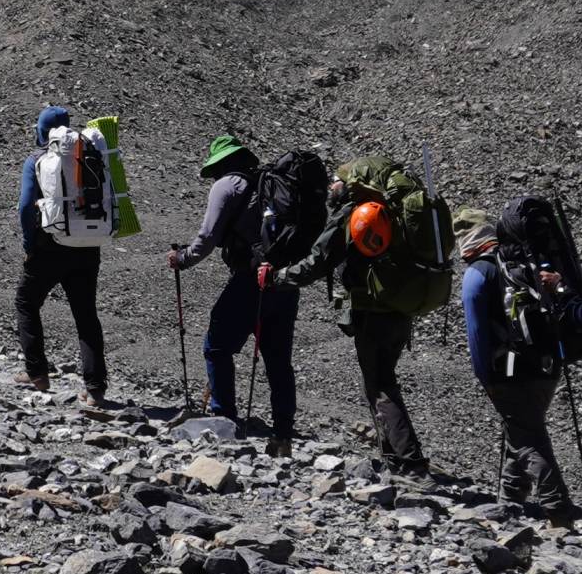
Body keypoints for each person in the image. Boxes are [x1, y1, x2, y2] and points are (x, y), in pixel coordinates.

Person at [279, 155, 443, 471]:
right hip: (400, 307)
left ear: (353, 185)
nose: (332, 185)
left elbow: (318, 261)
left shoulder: (354, 213)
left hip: (373, 309)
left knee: (381, 384)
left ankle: (412, 462)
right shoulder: (395, 213)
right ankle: (392, 458)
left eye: (338, 180)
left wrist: (278, 277)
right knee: (378, 381)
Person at [459, 193, 582, 514]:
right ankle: (510, 499)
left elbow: (477, 332)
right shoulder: (525, 264)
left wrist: (484, 373)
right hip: (548, 361)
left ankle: (558, 506)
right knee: (523, 425)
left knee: (527, 435)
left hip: (509, 369)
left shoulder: (479, 272)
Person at [168, 134, 298, 441]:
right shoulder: (267, 184)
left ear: (221, 163)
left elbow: (207, 238)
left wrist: (182, 258)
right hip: (285, 280)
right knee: (278, 359)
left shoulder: (227, 186)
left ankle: (224, 415)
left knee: (216, 346)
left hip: (250, 280)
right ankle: (283, 430)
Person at [12, 103, 122, 401]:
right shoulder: (91, 156)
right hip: (88, 246)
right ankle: (95, 388)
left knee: (26, 301)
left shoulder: (37, 159)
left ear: (41, 130)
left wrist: (29, 243)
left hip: (50, 245)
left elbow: (25, 207)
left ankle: (37, 374)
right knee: (86, 314)